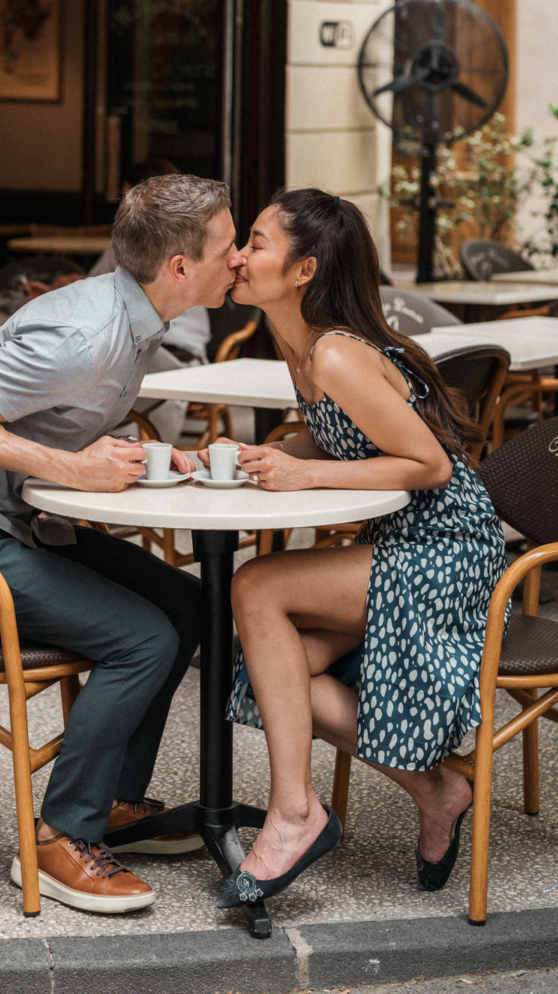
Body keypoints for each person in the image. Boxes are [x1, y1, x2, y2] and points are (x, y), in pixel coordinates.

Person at [0, 175, 242, 913]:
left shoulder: (136, 316)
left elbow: (43, 418)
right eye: (228, 246)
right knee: (142, 638)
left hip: (19, 523)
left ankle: (112, 803)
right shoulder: (84, 334)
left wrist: (138, 454)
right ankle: (54, 840)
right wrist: (71, 466)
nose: (238, 259)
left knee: (184, 605)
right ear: (179, 267)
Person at [209, 188, 506, 911]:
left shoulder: (335, 353)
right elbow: (346, 435)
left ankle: (293, 813)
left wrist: (303, 473)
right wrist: (269, 453)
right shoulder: (297, 345)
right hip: (400, 540)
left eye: (254, 241)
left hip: (445, 545)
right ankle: (435, 788)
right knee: (277, 674)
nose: (238, 256)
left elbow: (429, 465)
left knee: (255, 588)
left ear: (304, 270)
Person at [90, 159, 212, 443]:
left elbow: (96, 287)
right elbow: (97, 285)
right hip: (162, 354)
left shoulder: (151, 243)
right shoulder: (190, 239)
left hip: (170, 358)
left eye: (127, 198)